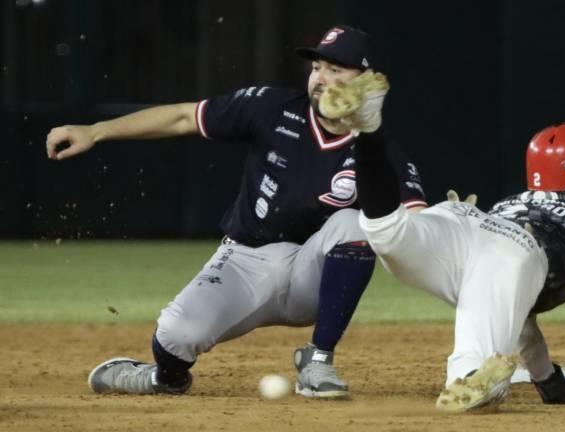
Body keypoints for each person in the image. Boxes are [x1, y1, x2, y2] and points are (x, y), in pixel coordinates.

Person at [44, 25, 427, 399]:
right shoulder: (271, 108)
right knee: (175, 336)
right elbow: (184, 116)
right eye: (316, 67)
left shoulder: (379, 152)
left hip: (312, 277)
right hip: (245, 261)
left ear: (367, 82)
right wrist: (96, 131)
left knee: (355, 223)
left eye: (336, 69)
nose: (320, 78)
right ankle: (164, 379)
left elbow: (419, 223)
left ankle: (318, 360)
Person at [326, 77, 565, 411]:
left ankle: (368, 130)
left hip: (465, 218)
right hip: (512, 250)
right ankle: (475, 376)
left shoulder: (511, 202)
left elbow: (517, 309)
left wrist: (548, 380)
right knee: (471, 374)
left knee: (387, 231)